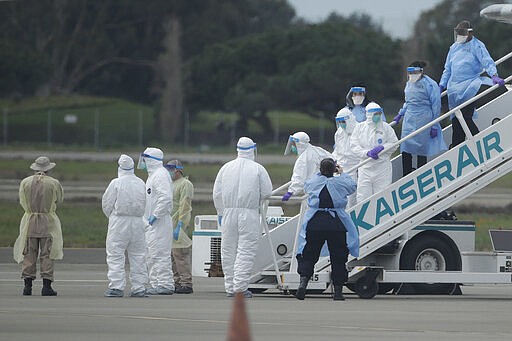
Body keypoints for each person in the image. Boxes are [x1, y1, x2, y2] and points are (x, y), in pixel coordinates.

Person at [213, 137, 273, 298]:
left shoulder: (226, 168)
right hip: (249, 213)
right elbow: (267, 192)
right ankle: (240, 287)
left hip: (228, 213)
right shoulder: (258, 168)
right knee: (245, 251)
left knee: (228, 250)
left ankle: (230, 287)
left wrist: (220, 212)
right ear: (253, 149)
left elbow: (217, 193)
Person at [295, 158, 359, 301]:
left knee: (309, 254)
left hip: (315, 221)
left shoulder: (314, 182)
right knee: (338, 257)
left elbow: (306, 185)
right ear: (333, 169)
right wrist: (341, 173)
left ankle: (303, 284)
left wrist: (321, 172)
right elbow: (352, 185)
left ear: (320, 170)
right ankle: (338, 291)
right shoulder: (340, 182)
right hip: (335, 222)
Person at [439, 20, 507, 148]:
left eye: (462, 33)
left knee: (465, 116)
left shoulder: (477, 45)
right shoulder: (454, 48)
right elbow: (447, 69)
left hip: (470, 85)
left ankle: (477, 142)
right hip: (454, 89)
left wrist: (494, 75)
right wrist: (441, 85)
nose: (459, 35)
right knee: (456, 120)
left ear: (470, 33)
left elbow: (487, 61)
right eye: (458, 33)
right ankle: (456, 145)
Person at [13, 156, 63, 296]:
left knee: (29, 253)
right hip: (48, 222)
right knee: (47, 254)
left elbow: (22, 200)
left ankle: (27, 286)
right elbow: (59, 199)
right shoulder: (53, 183)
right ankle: (46, 286)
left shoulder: (25, 182)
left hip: (30, 221)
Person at [102, 154, 148, 298]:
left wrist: (113, 217)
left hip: (120, 221)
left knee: (115, 254)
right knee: (139, 255)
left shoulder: (116, 183)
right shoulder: (141, 182)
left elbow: (107, 204)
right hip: (138, 222)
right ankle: (139, 288)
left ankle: (116, 286)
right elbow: (146, 202)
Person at [393, 61, 447, 176]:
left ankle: (421, 175)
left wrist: (433, 124)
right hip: (409, 119)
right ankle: (406, 175)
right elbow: (408, 101)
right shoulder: (409, 83)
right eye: (410, 72)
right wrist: (400, 114)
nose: (412, 74)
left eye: (415, 72)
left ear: (421, 71)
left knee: (422, 149)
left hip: (424, 118)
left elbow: (436, 105)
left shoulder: (430, 84)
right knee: (405, 147)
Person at [138, 147, 174, 295]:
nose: (143, 162)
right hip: (152, 222)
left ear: (150, 159)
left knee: (160, 253)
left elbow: (165, 198)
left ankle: (165, 284)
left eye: (145, 159)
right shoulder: (153, 175)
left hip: (159, 221)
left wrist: (155, 215)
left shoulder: (160, 175)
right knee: (151, 254)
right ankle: (155, 283)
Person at [351, 102, 398, 203]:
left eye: (379, 114)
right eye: (375, 114)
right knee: (363, 197)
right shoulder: (359, 128)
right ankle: (366, 218)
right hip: (365, 167)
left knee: (383, 195)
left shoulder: (386, 127)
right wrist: (367, 153)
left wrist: (382, 148)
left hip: (382, 167)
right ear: (369, 115)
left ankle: (384, 218)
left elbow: (394, 143)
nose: (378, 116)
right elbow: (354, 147)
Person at [165, 159, 195, 294]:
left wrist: (181, 224)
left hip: (179, 224)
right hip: (169, 225)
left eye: (171, 169)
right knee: (172, 256)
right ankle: (176, 282)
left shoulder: (185, 184)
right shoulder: (170, 184)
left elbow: (185, 205)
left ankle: (186, 283)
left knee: (181, 255)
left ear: (178, 170)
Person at [282, 131, 332, 201]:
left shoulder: (303, 160)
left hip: (313, 191)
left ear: (299, 144)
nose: (293, 147)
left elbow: (299, 178)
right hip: (325, 187)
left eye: (294, 144)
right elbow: (333, 160)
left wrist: (290, 192)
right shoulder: (316, 150)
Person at [332, 107, 359, 208]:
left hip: (354, 167)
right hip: (340, 168)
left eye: (343, 121)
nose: (341, 124)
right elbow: (337, 151)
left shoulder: (359, 130)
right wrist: (332, 160)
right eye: (339, 122)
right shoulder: (339, 132)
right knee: (338, 197)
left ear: (349, 119)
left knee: (352, 197)